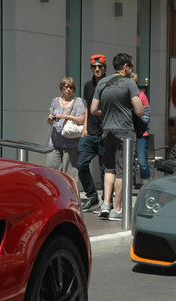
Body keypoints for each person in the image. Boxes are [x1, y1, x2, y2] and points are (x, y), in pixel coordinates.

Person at [90, 53, 144, 221]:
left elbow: (93, 110)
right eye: (132, 66)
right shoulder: (129, 83)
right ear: (126, 67)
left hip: (107, 130)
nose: (132, 69)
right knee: (122, 170)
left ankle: (105, 203)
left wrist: (107, 114)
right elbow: (140, 110)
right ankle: (117, 209)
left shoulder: (102, 83)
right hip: (125, 131)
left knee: (109, 168)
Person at [77, 54, 107, 211]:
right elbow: (88, 107)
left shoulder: (110, 85)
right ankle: (92, 196)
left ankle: (107, 200)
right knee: (81, 164)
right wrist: (84, 127)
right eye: (94, 67)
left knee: (105, 171)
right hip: (90, 133)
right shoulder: (88, 85)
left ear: (105, 68)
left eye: (100, 66)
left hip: (106, 134)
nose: (97, 69)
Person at [47, 77, 85, 185]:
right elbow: (49, 121)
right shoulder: (55, 101)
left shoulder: (78, 102)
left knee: (70, 173)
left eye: (71, 87)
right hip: (55, 142)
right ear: (62, 87)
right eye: (66, 86)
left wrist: (67, 116)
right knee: (52, 168)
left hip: (71, 143)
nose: (68, 89)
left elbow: (82, 119)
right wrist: (50, 119)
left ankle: (70, 196)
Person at [131, 72, 151, 184]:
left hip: (141, 134)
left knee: (142, 162)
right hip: (127, 133)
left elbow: (147, 116)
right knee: (128, 161)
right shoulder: (123, 96)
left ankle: (146, 184)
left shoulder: (141, 95)